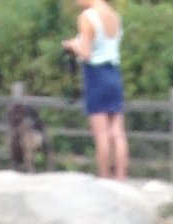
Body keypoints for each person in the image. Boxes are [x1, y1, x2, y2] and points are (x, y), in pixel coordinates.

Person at [64, 2, 127, 180]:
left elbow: (86, 53)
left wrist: (71, 45)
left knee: (102, 134)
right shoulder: (114, 16)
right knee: (117, 132)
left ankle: (105, 178)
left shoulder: (87, 17)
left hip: (96, 75)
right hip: (114, 73)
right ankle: (120, 178)